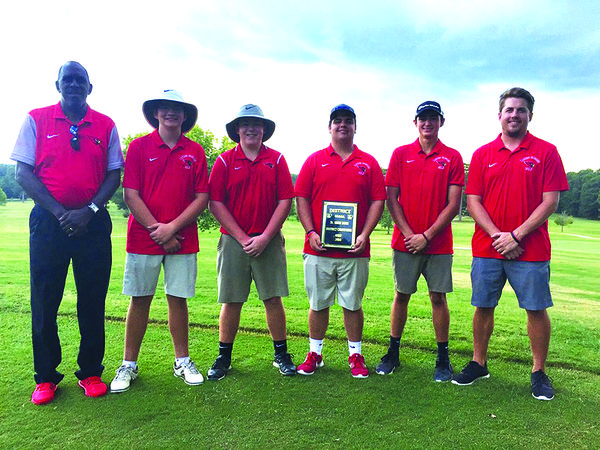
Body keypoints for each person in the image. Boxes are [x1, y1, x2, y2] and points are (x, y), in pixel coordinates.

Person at [10, 61, 124, 405]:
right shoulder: (36, 118)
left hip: (93, 223)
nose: (74, 84)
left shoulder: (105, 125)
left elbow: (114, 174)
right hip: (49, 223)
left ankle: (90, 372)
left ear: (90, 87)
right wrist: (60, 212)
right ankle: (45, 377)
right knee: (45, 301)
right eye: (68, 79)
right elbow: (22, 173)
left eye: (80, 80)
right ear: (57, 84)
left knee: (92, 300)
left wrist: (88, 211)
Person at [452, 88, 568, 401]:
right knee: (483, 306)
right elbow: (473, 202)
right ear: (499, 114)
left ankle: (538, 371)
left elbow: (550, 201)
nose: (514, 114)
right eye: (509, 109)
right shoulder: (481, 154)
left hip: (530, 249)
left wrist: (515, 236)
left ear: (530, 115)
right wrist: (498, 237)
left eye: (521, 110)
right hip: (488, 247)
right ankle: (479, 363)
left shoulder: (546, 151)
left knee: (535, 309)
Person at [109, 90, 209, 393]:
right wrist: (158, 230)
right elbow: (131, 195)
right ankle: (128, 365)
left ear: (184, 116)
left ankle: (182, 360)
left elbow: (202, 197)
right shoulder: (138, 147)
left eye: (177, 110)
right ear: (156, 113)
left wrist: (172, 229)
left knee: (177, 299)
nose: (171, 113)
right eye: (165, 109)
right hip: (144, 237)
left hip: (182, 238)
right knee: (140, 299)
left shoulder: (196, 151)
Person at [295, 104, 386, 378]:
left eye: (348, 121)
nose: (342, 125)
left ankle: (355, 354)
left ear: (355, 126)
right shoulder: (314, 160)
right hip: (318, 249)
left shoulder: (368, 162)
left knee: (352, 305)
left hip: (354, 251)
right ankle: (315, 353)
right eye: (337, 121)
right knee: (318, 304)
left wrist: (364, 234)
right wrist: (311, 232)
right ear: (330, 127)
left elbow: (377, 202)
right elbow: (301, 199)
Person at [206, 104, 296, 381]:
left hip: (268, 238)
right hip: (234, 240)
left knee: (272, 298)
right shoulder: (223, 161)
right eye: (245, 124)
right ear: (237, 130)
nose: (251, 128)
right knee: (232, 300)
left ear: (264, 130)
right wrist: (244, 238)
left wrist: (266, 236)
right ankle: (224, 357)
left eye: (256, 124)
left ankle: (281, 354)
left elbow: (285, 201)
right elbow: (215, 203)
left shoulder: (278, 160)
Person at [377, 101, 464, 381]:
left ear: (441, 121)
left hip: (438, 244)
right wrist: (409, 234)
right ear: (415, 122)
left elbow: (453, 205)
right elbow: (392, 198)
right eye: (423, 118)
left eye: (433, 118)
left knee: (438, 298)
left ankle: (443, 358)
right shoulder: (401, 154)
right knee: (401, 295)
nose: (427, 123)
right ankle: (393, 352)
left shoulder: (451, 156)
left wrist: (426, 236)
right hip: (406, 242)